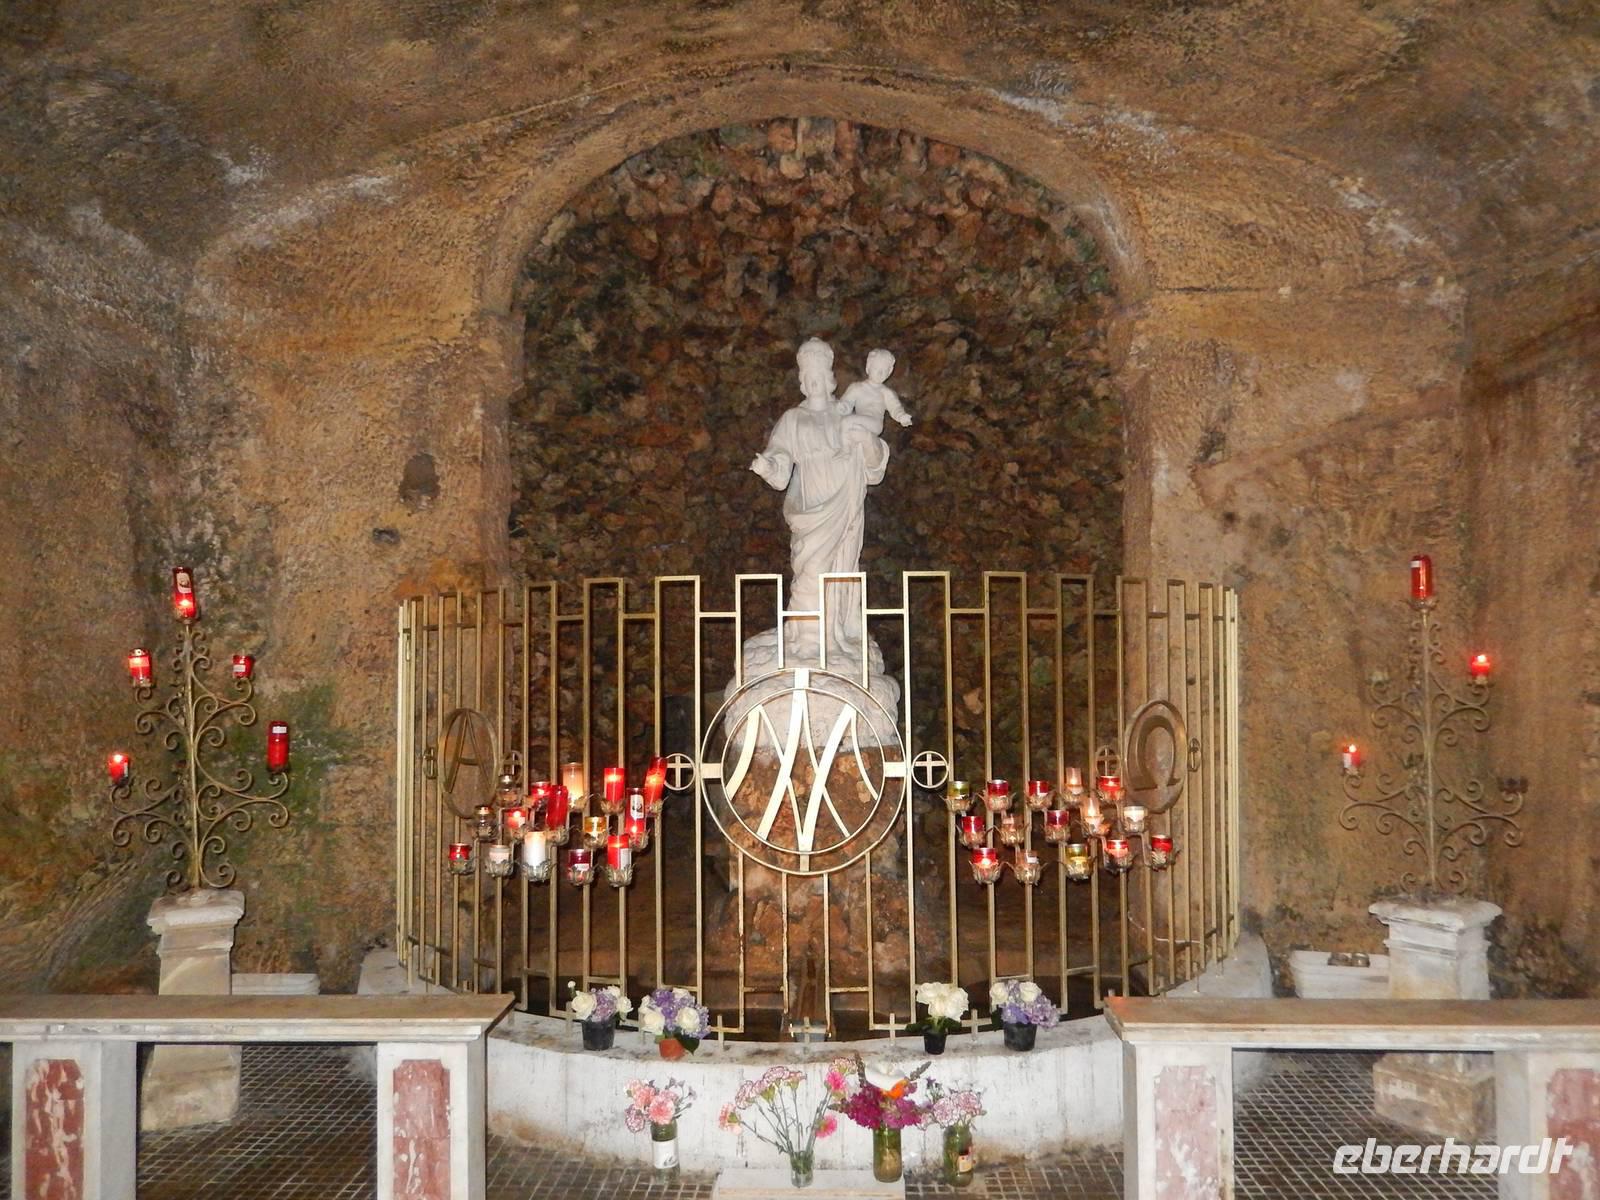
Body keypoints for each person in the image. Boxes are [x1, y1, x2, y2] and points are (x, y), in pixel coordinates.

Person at [749, 338, 890, 661]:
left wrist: (867, 441)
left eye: (819, 375)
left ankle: (831, 634)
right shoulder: (793, 419)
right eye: (808, 376)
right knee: (810, 568)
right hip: (811, 508)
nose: (813, 382)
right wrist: (767, 466)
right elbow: (780, 461)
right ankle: (807, 636)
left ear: (830, 379)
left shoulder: (846, 416)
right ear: (802, 381)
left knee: (838, 571)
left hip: (845, 501)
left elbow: (874, 466)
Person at [837, 349, 912, 455]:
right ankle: (848, 449)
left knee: (847, 422)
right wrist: (844, 407)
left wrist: (901, 416)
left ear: (889, 372)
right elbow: (847, 402)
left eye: (884, 370)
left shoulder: (886, 393)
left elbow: (895, 407)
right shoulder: (857, 388)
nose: (880, 373)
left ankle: (845, 451)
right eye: (876, 368)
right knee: (846, 425)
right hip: (859, 420)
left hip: (875, 423)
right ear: (868, 367)